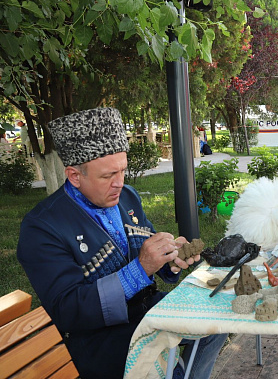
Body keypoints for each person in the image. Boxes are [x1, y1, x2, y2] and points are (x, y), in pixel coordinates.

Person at [17, 107, 228, 379]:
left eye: (123, 171)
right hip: (103, 339)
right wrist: (141, 268)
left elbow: (147, 249)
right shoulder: (43, 227)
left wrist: (170, 259)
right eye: (107, 176)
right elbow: (68, 310)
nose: (120, 183)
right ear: (74, 176)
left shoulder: (126, 197)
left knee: (218, 320)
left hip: (148, 312)